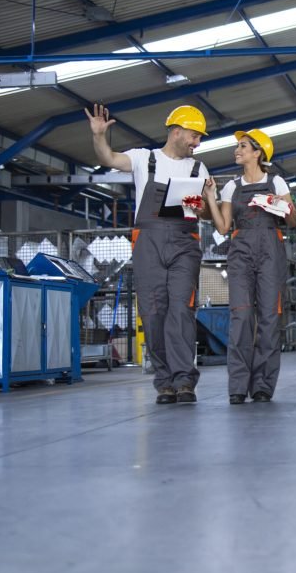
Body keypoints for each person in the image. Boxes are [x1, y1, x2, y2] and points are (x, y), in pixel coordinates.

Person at [85, 103, 209, 405]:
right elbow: (108, 157)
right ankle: (164, 382)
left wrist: (198, 204)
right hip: (148, 243)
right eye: (194, 136)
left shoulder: (198, 168)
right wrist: (99, 136)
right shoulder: (145, 159)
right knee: (153, 312)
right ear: (176, 132)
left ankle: (184, 381)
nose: (197, 143)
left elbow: (203, 211)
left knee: (181, 311)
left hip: (184, 243)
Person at [204, 129, 296, 405]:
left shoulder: (277, 182)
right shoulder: (231, 187)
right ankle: (237, 385)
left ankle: (262, 386)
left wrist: (284, 206)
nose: (237, 150)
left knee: (269, 319)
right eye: (238, 147)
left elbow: (294, 223)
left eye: (243, 146)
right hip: (241, 251)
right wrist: (210, 196)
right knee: (241, 318)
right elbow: (222, 227)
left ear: (258, 153)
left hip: (271, 250)